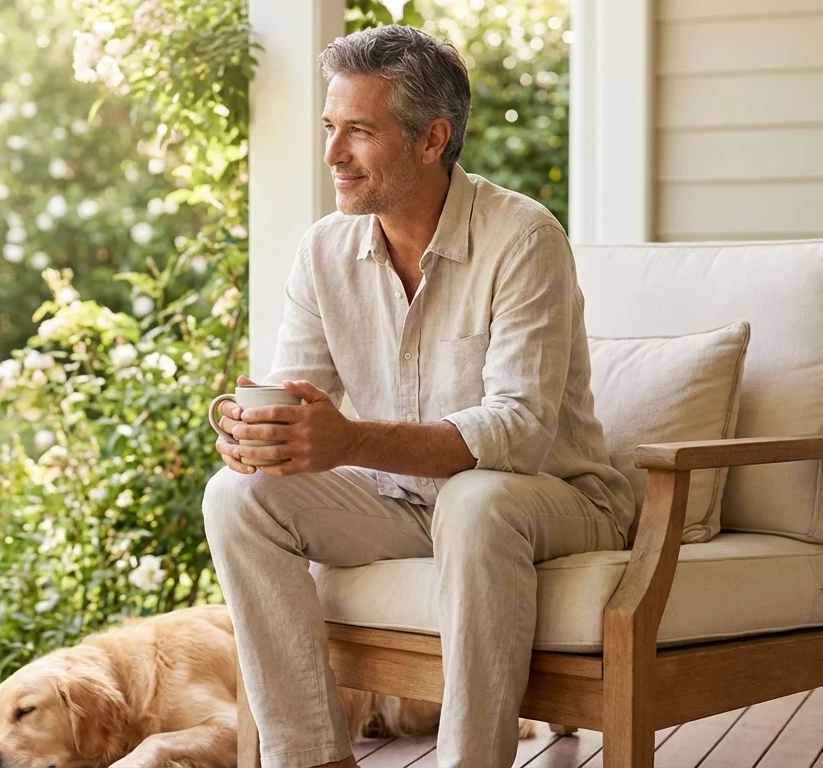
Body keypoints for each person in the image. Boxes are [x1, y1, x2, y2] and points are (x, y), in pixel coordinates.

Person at [201, 24, 635, 768]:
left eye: (358, 132)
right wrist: (263, 433)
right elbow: (300, 395)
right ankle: (310, 758)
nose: (333, 154)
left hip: (553, 499)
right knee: (236, 498)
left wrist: (350, 441)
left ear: (432, 140)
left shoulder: (524, 237)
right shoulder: (323, 251)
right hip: (401, 503)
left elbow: (521, 432)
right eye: (331, 129)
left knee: (475, 499)